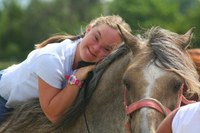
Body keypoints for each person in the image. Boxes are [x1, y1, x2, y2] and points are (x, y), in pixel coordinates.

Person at [0, 15, 132, 123]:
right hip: (4, 100)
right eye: (96, 38)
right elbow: (54, 116)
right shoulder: (51, 59)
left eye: (107, 49)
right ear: (88, 30)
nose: (96, 48)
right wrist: (77, 78)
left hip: (27, 111)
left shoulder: (100, 66)